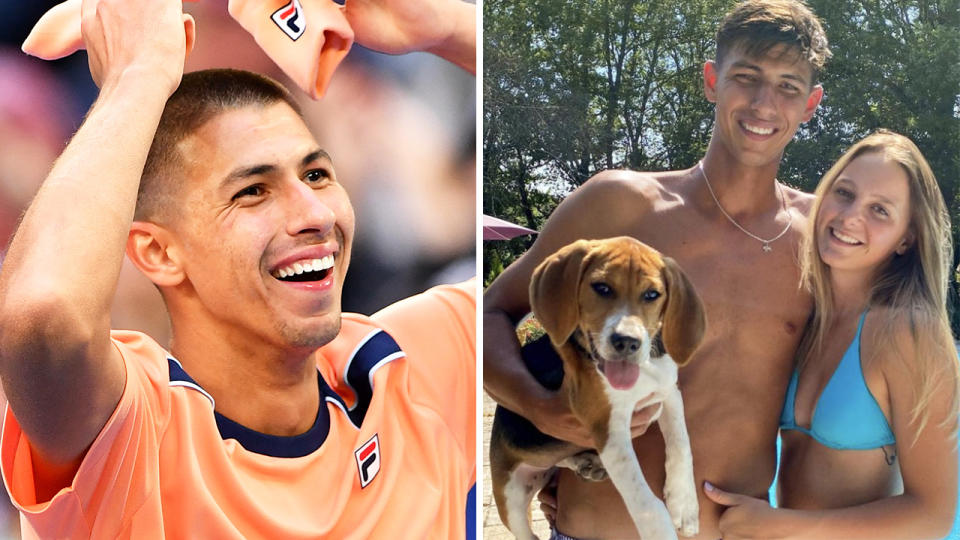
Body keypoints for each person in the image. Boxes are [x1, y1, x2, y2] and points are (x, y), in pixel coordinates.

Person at [0, 0, 476, 538]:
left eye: (318, 175)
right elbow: (43, 317)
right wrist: (137, 74)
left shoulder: (412, 363)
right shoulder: (128, 444)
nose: (316, 215)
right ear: (158, 252)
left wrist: (454, 30)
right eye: (254, 192)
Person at [483, 1, 827, 538]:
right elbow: (487, 312)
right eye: (746, 77)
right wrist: (540, 408)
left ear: (811, 104)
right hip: (597, 529)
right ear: (712, 80)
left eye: (788, 86)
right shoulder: (620, 204)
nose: (764, 102)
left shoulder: (821, 239)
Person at [701, 131, 959, 539]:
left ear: (907, 239)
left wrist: (783, 526)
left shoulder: (907, 331)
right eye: (844, 193)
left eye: (879, 210)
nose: (851, 216)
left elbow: (935, 514)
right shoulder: (804, 315)